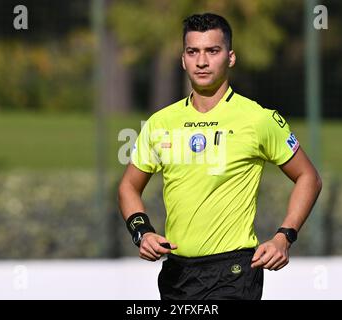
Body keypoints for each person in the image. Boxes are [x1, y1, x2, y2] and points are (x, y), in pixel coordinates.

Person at [118, 13, 322, 300]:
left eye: (212, 51)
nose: (202, 61)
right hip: (176, 273)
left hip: (234, 273)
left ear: (230, 57)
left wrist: (283, 237)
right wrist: (142, 232)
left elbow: (308, 177)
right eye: (193, 52)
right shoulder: (160, 123)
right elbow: (128, 186)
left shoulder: (258, 119)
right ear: (183, 59)